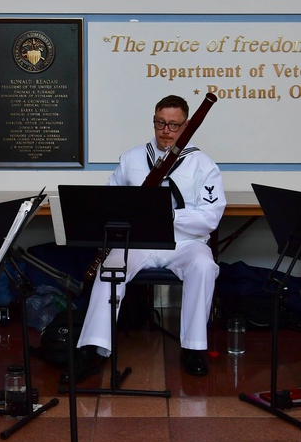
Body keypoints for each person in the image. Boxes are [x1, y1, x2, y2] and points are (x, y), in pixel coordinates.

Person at [65, 94, 226, 380]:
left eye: (174, 125)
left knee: (204, 266)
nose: (166, 131)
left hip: (184, 243)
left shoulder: (203, 164)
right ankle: (93, 349)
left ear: (187, 126)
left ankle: (193, 349)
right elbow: (109, 203)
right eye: (160, 123)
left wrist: (167, 217)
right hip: (138, 242)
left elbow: (210, 218)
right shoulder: (132, 158)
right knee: (110, 268)